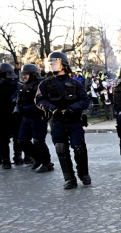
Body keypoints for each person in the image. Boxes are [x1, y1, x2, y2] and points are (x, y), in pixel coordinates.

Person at [35, 52, 92, 189]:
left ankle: (83, 174)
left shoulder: (74, 83)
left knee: (79, 148)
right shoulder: (45, 84)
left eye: (54, 62)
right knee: (61, 149)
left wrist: (72, 108)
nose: (51, 65)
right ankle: (69, 179)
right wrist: (52, 109)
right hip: (57, 121)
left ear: (63, 64)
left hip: (73, 120)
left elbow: (85, 100)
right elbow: (39, 100)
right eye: (50, 62)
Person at [15, 64, 54, 173]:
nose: (24, 76)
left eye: (26, 74)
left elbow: (40, 103)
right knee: (22, 141)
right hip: (26, 117)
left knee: (38, 141)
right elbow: (19, 98)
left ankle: (47, 163)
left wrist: (24, 109)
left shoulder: (40, 85)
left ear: (32, 74)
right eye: (23, 74)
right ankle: (38, 158)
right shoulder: (24, 85)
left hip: (38, 117)